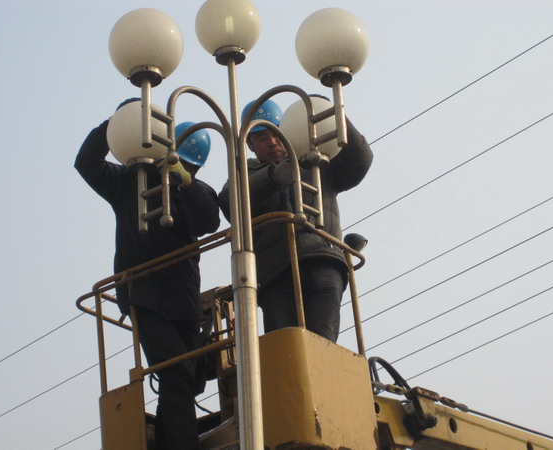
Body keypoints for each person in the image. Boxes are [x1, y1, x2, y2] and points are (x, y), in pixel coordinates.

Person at [75, 101, 220, 450]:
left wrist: (184, 182)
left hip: (184, 299)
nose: (184, 166)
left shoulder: (196, 190)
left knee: (187, 379)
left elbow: (209, 221)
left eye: (190, 165)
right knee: (175, 372)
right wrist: (118, 123)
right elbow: (87, 163)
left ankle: (168, 441)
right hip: (144, 295)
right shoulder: (128, 183)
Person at [218, 98, 372, 343]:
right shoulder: (246, 173)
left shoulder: (316, 160)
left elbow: (359, 161)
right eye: (262, 137)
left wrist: (334, 114)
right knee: (286, 346)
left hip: (323, 259)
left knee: (322, 343)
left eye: (277, 133)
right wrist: (272, 177)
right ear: (250, 145)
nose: (272, 142)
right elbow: (230, 203)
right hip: (276, 274)